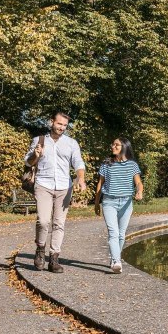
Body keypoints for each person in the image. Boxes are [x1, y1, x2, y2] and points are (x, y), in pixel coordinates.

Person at [24, 111, 87, 273]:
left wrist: (81, 179)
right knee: (43, 221)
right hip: (43, 184)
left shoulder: (72, 143)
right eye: (59, 124)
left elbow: (78, 163)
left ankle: (54, 258)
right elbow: (28, 162)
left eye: (65, 125)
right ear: (51, 122)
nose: (62, 128)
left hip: (64, 187)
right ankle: (40, 250)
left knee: (59, 223)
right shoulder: (39, 140)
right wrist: (35, 156)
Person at [94, 138, 143, 273]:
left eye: (116, 144)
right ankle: (116, 261)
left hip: (126, 203)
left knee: (121, 234)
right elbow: (100, 184)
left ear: (124, 147)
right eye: (113, 143)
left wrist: (139, 191)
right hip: (109, 202)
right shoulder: (106, 164)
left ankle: (115, 257)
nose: (113, 146)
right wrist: (97, 203)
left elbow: (138, 182)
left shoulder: (132, 165)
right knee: (113, 232)